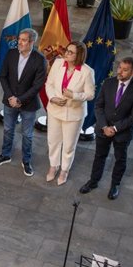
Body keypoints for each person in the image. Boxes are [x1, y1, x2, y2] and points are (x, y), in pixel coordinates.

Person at [80, 57, 133, 199]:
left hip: (122, 133)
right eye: (119, 68)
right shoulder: (108, 83)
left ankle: (115, 184)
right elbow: (99, 106)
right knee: (99, 156)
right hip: (103, 129)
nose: (120, 71)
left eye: (125, 69)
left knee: (120, 159)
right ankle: (93, 181)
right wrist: (104, 126)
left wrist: (114, 128)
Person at [0, 28, 47, 176]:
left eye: (23, 40)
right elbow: (3, 76)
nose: (19, 42)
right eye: (19, 39)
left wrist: (20, 100)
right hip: (9, 101)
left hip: (28, 104)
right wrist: (11, 97)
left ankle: (26, 161)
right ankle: (5, 155)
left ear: (32, 42)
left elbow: (37, 85)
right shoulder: (11, 53)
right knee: (8, 129)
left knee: (27, 135)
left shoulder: (40, 60)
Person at [44, 41, 95, 185]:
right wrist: (52, 97)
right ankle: (53, 166)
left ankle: (64, 170)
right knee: (53, 141)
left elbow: (90, 95)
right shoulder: (58, 63)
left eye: (71, 52)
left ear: (79, 55)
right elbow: (49, 84)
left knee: (68, 145)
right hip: (55, 110)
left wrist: (74, 95)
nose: (66, 53)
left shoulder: (87, 72)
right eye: (67, 50)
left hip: (73, 114)